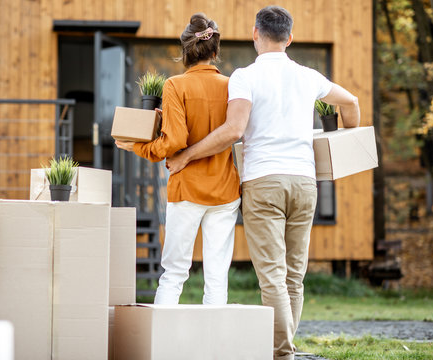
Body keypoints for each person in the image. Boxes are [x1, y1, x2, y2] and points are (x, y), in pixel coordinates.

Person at [165, 6, 360, 360]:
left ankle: (282, 354)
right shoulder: (309, 76)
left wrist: (187, 155)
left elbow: (234, 131)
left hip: (264, 183)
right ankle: (282, 349)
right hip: (304, 183)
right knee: (293, 277)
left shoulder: (245, 76)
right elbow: (351, 101)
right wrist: (345, 138)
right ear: (290, 37)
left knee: (272, 277)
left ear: (256, 33)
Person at [115, 13, 241, 305]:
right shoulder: (233, 86)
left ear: (186, 51)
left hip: (187, 190)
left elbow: (175, 141)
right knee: (217, 277)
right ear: (216, 50)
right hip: (225, 191)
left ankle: (162, 346)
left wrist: (137, 146)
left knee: (173, 273)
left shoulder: (175, 85)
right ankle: (213, 348)